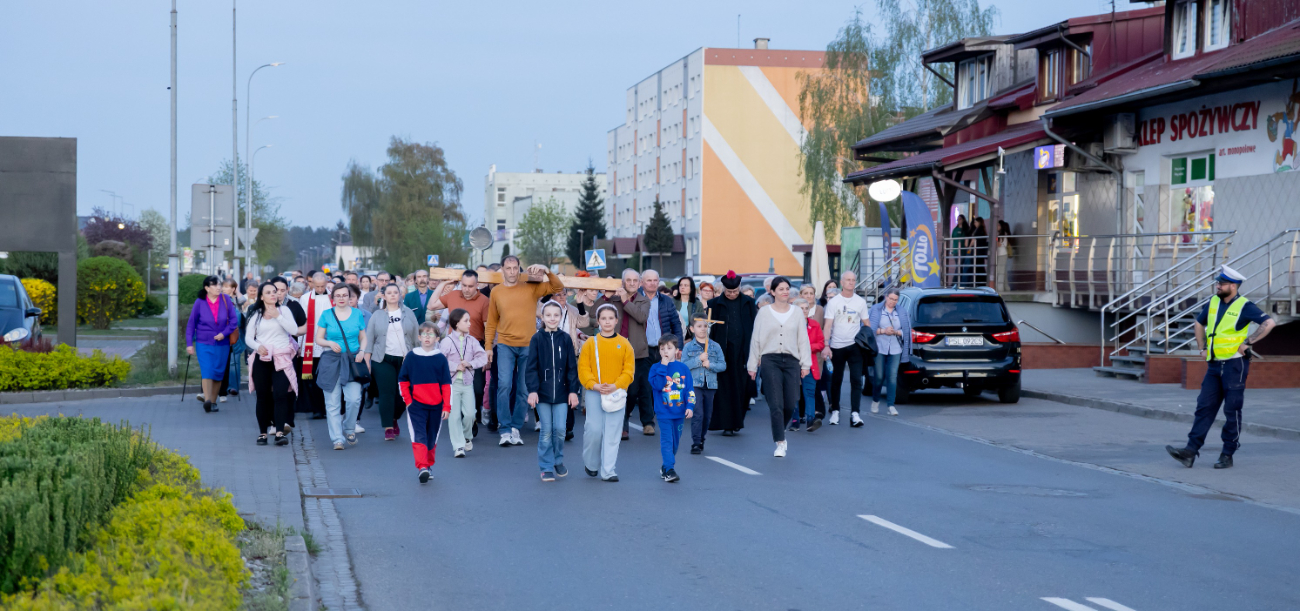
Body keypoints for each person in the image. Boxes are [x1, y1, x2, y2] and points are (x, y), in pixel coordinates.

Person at [1166, 266, 1275, 470]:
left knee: (1231, 410)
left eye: (1221, 284)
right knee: (1204, 407)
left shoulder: (1244, 305)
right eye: (1217, 283)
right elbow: (1199, 324)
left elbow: (1269, 323)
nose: (1217, 286)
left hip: (1235, 365)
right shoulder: (1214, 302)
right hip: (1214, 365)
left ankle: (1227, 454)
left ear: (1233, 286)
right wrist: (1201, 348)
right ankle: (1190, 452)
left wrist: (1249, 342)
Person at [484, 256, 565, 447]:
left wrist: (546, 269)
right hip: (504, 344)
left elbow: (557, 287)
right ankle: (504, 429)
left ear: (519, 268)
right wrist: (488, 347)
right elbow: (492, 321)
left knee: (523, 389)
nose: (512, 272)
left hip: (528, 345)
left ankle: (515, 427)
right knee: (504, 385)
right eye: (508, 268)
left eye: (515, 268)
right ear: (502, 270)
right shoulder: (496, 292)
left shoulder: (531, 287)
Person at [747, 276, 811, 458]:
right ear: (772, 292)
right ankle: (780, 442)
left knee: (791, 403)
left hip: (791, 361)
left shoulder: (797, 312)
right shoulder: (764, 312)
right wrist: (752, 365)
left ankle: (779, 430)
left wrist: (806, 363)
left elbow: (803, 339)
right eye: (781, 289)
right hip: (770, 360)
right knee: (776, 404)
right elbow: (756, 339)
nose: (785, 291)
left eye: (787, 288)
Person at [427, 270, 491, 433]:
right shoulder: (453, 295)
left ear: (477, 285)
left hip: (475, 347)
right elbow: (431, 305)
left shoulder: (484, 301)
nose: (467, 289)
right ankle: (462, 420)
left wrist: (488, 351)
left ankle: (472, 416)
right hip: (453, 348)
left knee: (477, 388)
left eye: (471, 286)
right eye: (464, 285)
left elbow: (488, 327)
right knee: (454, 387)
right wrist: (443, 284)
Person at [577, 304, 636, 482]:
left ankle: (608, 471)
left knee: (613, 432)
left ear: (616, 321)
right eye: (604, 318)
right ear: (598, 321)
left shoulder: (624, 344)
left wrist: (617, 385)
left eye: (611, 318)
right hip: (595, 391)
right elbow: (584, 368)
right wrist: (594, 385)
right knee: (593, 430)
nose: (607, 321)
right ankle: (591, 463)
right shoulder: (590, 343)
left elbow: (629, 371)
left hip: (616, 393)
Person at [525, 301, 581, 482]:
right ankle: (546, 466)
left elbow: (572, 368)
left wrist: (573, 391)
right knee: (546, 430)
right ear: (542, 317)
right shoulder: (536, 338)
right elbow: (531, 368)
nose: (552, 318)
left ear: (561, 317)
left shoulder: (565, 338)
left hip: (563, 394)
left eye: (556, 315)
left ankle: (558, 460)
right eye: (548, 315)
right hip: (542, 393)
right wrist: (533, 390)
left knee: (560, 430)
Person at [315, 283, 369, 451]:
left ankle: (349, 427)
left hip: (352, 361)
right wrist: (330, 343)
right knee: (332, 403)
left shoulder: (357, 314)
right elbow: (318, 339)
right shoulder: (326, 315)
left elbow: (364, 337)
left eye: (345, 295)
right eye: (338, 295)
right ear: (333, 298)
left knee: (354, 399)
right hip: (331, 361)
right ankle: (337, 438)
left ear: (350, 297)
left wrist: (362, 351)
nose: (341, 298)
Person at [244, 281, 298, 446]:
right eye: (268, 292)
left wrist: (278, 316)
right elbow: (248, 337)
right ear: (261, 296)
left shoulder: (285, 311)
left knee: (280, 394)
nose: (273, 294)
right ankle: (262, 433)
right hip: (263, 359)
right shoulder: (256, 314)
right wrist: (257, 347)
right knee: (263, 396)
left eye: (274, 292)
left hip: (281, 358)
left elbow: (294, 330)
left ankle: (280, 432)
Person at [398, 322, 453, 484]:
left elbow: (446, 384)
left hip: (436, 405)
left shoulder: (440, 358)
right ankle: (422, 466)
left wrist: (446, 406)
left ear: (437, 338)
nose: (427, 338)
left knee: (432, 437)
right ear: (419, 337)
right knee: (419, 435)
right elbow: (403, 380)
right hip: (416, 405)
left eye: (431, 335)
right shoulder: (411, 357)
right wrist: (408, 401)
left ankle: (428, 465)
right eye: (424, 334)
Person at [707, 271, 758, 436]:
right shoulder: (714, 304)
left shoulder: (749, 303)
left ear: (739, 288)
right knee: (725, 389)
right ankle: (728, 424)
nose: (731, 294)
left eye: (735, 291)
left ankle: (738, 420)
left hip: (744, 352)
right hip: (724, 352)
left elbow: (756, 328)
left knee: (744, 388)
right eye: (728, 292)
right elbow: (710, 329)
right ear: (723, 289)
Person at [364, 283, 418, 440]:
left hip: (405, 359)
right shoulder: (377, 315)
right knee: (387, 393)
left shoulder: (408, 313)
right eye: (390, 292)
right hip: (382, 359)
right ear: (384, 296)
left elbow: (415, 338)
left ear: (400, 295)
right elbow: (370, 338)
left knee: (403, 394)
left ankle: (394, 417)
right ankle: (388, 426)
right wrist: (367, 359)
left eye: (396, 292)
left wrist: (418, 356)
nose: (393, 295)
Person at [186, 275, 240, 413]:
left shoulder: (226, 299)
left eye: (219, 285)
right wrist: (189, 343)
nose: (218, 287)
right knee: (207, 370)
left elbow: (233, 321)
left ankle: (213, 401)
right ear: (207, 288)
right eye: (215, 285)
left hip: (222, 343)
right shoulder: (200, 302)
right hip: (203, 342)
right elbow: (191, 323)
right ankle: (208, 400)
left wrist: (224, 333)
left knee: (218, 372)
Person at [822, 270, 869, 427]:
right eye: (848, 280)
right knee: (836, 379)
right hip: (836, 345)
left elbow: (866, 325)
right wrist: (826, 345)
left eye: (853, 280)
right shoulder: (833, 302)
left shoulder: (860, 302)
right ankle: (835, 411)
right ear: (841, 282)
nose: (851, 282)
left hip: (855, 346)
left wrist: (866, 342)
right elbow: (827, 325)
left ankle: (855, 413)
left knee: (856, 379)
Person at [440, 308, 488, 458]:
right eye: (466, 321)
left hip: (467, 384)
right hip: (452, 384)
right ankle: (458, 446)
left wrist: (470, 363)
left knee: (469, 414)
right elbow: (440, 361)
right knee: (453, 416)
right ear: (456, 323)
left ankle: (467, 436)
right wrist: (455, 366)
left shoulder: (472, 341)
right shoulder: (446, 341)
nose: (469, 323)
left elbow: (483, 358)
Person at [612, 269, 652, 440]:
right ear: (623, 282)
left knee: (633, 390)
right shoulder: (614, 299)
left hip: (637, 352)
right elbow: (595, 313)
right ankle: (622, 425)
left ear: (640, 283)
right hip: (615, 350)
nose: (632, 283)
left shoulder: (644, 300)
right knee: (619, 389)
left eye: (635, 280)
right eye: (628, 280)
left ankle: (626, 417)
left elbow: (641, 317)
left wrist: (625, 301)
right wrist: (607, 295)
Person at [649, 334, 694, 482]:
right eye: (662, 349)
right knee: (667, 441)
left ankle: (665, 466)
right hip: (664, 413)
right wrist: (663, 366)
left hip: (679, 412)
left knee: (675, 443)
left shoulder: (683, 368)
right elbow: (658, 385)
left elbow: (689, 390)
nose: (665, 351)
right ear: (659, 351)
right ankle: (670, 469)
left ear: (677, 350)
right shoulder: (655, 368)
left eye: (669, 348)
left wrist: (690, 406)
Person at [682, 314, 725, 454]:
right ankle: (695, 442)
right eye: (699, 326)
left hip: (710, 384)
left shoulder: (715, 346)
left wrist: (710, 365)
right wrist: (698, 360)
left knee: (707, 415)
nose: (702, 329)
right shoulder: (688, 347)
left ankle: (701, 438)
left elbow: (722, 365)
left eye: (705, 326)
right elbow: (683, 366)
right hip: (694, 384)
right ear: (692, 329)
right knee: (698, 413)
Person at [868, 288, 910, 417]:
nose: (893, 302)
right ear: (886, 297)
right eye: (891, 299)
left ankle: (891, 405)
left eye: (896, 300)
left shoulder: (902, 312)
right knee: (879, 376)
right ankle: (875, 401)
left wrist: (896, 332)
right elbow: (869, 329)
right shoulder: (876, 309)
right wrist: (883, 331)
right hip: (880, 347)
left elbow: (906, 331)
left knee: (892, 376)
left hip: (896, 348)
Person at [298, 271, 334, 420]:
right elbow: (302, 322)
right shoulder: (305, 298)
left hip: (329, 343)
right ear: (311, 283)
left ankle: (328, 407)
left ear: (327, 283)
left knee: (327, 377)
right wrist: (300, 344)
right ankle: (316, 408)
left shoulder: (333, 297)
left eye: (322, 286)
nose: (320, 289)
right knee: (311, 378)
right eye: (317, 286)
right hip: (310, 342)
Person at [792, 296, 825, 431]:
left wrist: (806, 347)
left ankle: (810, 421)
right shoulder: (790, 324)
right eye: (802, 308)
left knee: (809, 392)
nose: (805, 311)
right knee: (794, 393)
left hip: (810, 363)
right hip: (793, 363)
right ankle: (794, 421)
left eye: (807, 308)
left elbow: (821, 343)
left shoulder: (815, 324)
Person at [952, 214, 971, 286]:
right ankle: (956, 282)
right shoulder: (955, 229)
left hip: (963, 251)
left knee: (960, 266)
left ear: (963, 220)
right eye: (957, 219)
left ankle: (957, 282)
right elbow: (953, 238)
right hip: (956, 251)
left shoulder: (966, 229)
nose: (958, 220)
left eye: (960, 219)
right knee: (958, 266)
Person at [996, 220, 1013, 292]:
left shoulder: (1003, 234)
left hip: (1002, 254)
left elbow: (999, 245)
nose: (997, 227)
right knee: (1003, 272)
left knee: (1000, 272)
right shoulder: (999, 234)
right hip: (1000, 254)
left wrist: (995, 240)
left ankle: (1000, 289)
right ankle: (1006, 287)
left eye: (998, 225)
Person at [971, 216, 989, 286]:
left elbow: (974, 240)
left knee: (977, 267)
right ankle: (982, 282)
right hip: (980, 251)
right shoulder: (982, 230)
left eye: (975, 222)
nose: (974, 223)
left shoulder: (978, 230)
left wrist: (969, 248)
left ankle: (978, 283)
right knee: (980, 267)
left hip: (977, 251)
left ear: (979, 222)